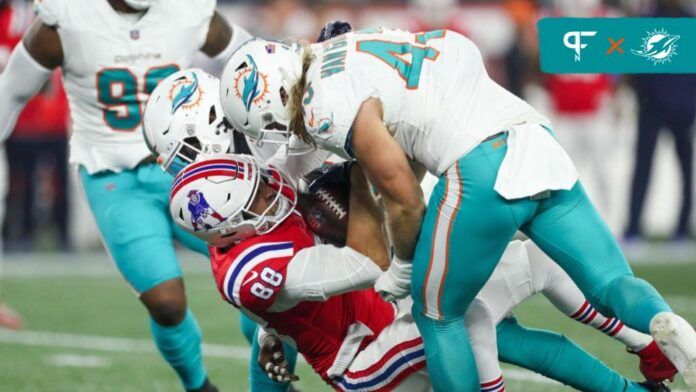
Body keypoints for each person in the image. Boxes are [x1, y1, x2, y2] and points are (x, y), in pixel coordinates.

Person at [219, 30, 696, 391]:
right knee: (611, 282)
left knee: (438, 315)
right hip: (531, 135)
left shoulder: (324, 106)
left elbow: (405, 195)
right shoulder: (359, 41)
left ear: (274, 97)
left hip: (477, 165)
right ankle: (669, 332)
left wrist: (404, 267)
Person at [170, 154, 671, 392]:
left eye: (259, 183)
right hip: (365, 358)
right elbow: (367, 263)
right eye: (256, 199)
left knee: (537, 263)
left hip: (389, 314)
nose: (272, 190)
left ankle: (648, 354)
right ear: (224, 231)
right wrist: (364, 169)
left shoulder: (255, 225)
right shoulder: (249, 271)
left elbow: (297, 154)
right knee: (463, 317)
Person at [0, 0, 254, 390]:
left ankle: (272, 383)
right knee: (167, 303)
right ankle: (199, 386)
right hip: (115, 176)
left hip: (191, 171)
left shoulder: (189, 10)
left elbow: (253, 61)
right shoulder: (66, 19)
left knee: (260, 272)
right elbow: (11, 93)